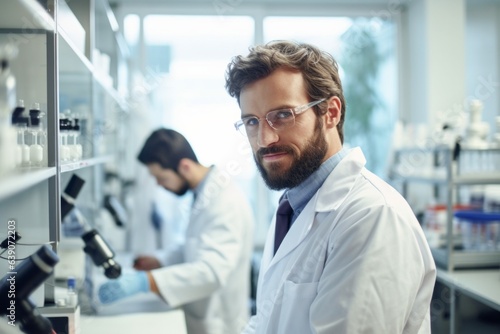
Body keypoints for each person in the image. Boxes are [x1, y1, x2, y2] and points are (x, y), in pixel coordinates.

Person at [224, 40, 436, 334]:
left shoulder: (372, 217)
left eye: (283, 115)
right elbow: (268, 319)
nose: (264, 139)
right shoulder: (293, 206)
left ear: (331, 113)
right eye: (251, 121)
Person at [97, 128, 255, 334]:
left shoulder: (224, 202)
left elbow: (212, 272)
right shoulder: (204, 193)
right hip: (203, 315)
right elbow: (197, 244)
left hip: (219, 322)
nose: (159, 184)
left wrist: (147, 281)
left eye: (161, 177)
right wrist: (160, 260)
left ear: (185, 166)